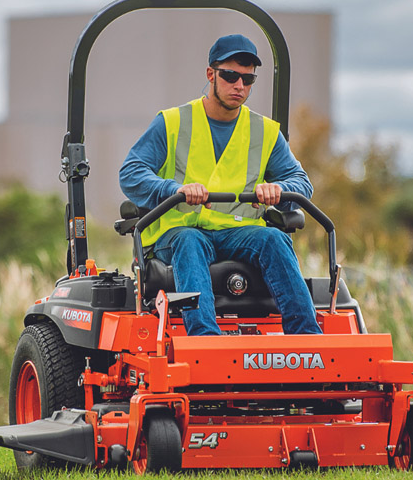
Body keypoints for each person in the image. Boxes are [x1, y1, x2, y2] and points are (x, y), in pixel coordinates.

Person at [119, 34, 323, 336]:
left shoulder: (264, 131)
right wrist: (173, 191)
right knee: (191, 241)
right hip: (178, 233)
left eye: (248, 79)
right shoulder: (172, 122)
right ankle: (205, 342)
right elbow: (131, 172)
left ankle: (308, 343)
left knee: (275, 240)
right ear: (210, 74)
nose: (239, 86)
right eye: (230, 76)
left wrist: (279, 192)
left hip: (238, 232)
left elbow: (301, 183)